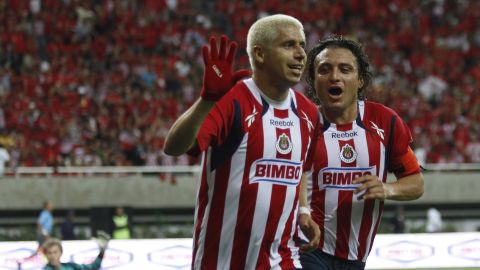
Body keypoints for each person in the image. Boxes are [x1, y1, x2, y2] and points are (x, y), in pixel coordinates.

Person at [164, 14, 320, 269]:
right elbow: (174, 147)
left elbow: (301, 167)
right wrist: (207, 100)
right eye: (288, 45)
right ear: (259, 54)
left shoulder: (308, 112)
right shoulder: (232, 101)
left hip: (281, 259)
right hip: (222, 262)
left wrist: (304, 210)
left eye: (302, 45)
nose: (301, 54)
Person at [299, 35, 424, 270]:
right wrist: (302, 210)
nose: (334, 76)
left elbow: (416, 183)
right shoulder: (301, 123)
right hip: (307, 248)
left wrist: (387, 188)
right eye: (324, 70)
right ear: (314, 80)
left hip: (356, 257)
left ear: (360, 80)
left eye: (345, 69)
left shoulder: (385, 121)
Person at [43, 231, 110, 270]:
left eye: (55, 252)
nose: (52, 256)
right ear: (45, 255)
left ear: (61, 252)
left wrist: (102, 251)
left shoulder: (70, 266)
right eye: (49, 253)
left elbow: (92, 267)